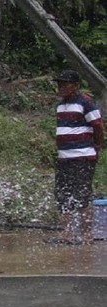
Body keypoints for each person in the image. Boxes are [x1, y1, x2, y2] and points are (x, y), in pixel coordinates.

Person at [52, 69, 103, 244]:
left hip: (82, 156)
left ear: (75, 86)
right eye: (59, 84)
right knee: (62, 194)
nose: (61, 87)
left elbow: (97, 125)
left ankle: (87, 233)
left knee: (82, 194)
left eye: (64, 84)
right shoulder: (60, 106)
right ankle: (66, 232)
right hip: (64, 157)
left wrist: (97, 146)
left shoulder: (85, 102)